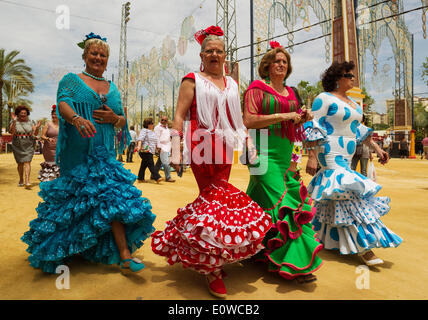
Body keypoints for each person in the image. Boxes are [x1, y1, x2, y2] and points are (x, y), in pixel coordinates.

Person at [151, 26, 272, 298]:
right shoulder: (191, 80)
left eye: (219, 50)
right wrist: (176, 149)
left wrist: (250, 144)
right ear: (202, 55)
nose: (214, 54)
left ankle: (204, 251)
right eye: (209, 51)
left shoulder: (232, 83)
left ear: (225, 55)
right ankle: (212, 268)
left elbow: (238, 120)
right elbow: (179, 116)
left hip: (225, 147)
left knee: (215, 202)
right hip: (200, 144)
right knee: (215, 199)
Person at [21, 33, 156, 274]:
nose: (98, 57)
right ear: (84, 55)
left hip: (103, 154)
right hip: (76, 154)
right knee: (74, 203)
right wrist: (75, 118)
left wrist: (115, 118)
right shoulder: (72, 80)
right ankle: (64, 248)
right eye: (94, 53)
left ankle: (125, 255)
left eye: (103, 55)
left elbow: (122, 120)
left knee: (112, 198)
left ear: (107, 60)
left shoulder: (112, 88)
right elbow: (63, 103)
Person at [304, 61, 402, 266]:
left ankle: (318, 238)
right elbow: (312, 126)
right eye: (350, 76)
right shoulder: (324, 98)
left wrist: (377, 149)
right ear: (338, 77)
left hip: (347, 155)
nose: (353, 79)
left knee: (336, 196)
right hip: (329, 152)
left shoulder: (354, 104)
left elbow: (359, 131)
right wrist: (312, 156)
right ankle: (365, 247)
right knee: (347, 193)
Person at [243, 41, 322, 283]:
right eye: (276, 61)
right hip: (260, 150)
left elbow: (295, 122)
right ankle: (291, 262)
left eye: (284, 62)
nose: (281, 64)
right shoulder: (256, 88)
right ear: (266, 66)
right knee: (281, 201)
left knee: (258, 200)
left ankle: (255, 249)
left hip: (286, 152)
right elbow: (249, 120)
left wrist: (301, 117)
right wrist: (284, 115)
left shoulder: (293, 93)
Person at [9, 105, 41, 189]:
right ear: (18, 114)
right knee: (20, 163)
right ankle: (21, 179)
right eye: (21, 113)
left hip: (29, 144)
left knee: (27, 162)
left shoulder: (31, 122)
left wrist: (37, 128)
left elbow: (35, 134)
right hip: (17, 144)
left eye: (25, 113)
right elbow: (12, 132)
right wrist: (14, 121)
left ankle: (27, 181)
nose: (23, 114)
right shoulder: (14, 122)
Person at [136, 118, 163, 183]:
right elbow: (140, 139)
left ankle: (140, 178)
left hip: (150, 151)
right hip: (145, 151)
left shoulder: (152, 132)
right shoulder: (144, 130)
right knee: (151, 164)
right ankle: (157, 177)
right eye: (152, 123)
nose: (153, 125)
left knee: (144, 164)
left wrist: (158, 148)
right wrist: (139, 146)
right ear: (148, 124)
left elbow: (155, 141)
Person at [38, 105, 60, 182]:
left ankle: (57, 181)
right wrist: (48, 138)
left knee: (59, 164)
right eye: (53, 114)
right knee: (51, 164)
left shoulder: (63, 125)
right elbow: (42, 136)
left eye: (56, 114)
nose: (54, 116)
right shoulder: (48, 124)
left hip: (60, 149)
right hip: (49, 150)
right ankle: (49, 180)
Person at [152, 115, 175, 182]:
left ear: (167, 121)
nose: (163, 121)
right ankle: (168, 177)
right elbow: (157, 137)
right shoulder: (157, 128)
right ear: (160, 120)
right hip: (161, 147)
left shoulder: (167, 128)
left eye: (165, 120)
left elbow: (168, 138)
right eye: (162, 120)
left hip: (167, 146)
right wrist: (158, 147)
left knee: (159, 162)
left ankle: (154, 175)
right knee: (166, 162)